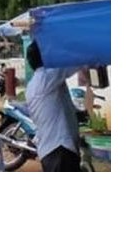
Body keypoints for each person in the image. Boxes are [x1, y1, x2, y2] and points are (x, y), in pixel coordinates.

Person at [25, 40, 82, 172]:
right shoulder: (46, 77)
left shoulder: (36, 82)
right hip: (59, 149)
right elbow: (74, 63)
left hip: (51, 149)